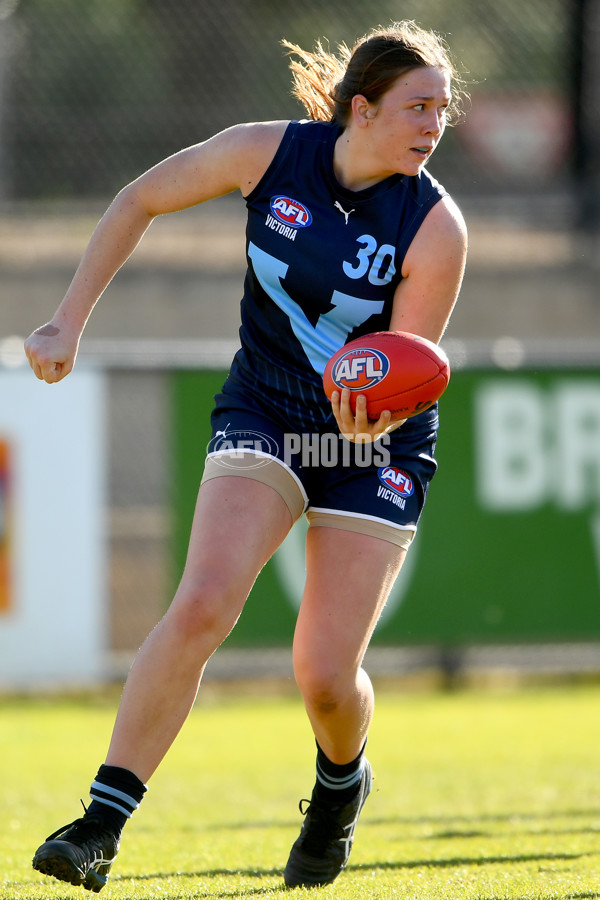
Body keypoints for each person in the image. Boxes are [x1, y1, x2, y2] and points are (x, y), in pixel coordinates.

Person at [26, 20, 467, 891]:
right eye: (417, 107)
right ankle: (99, 825)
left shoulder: (436, 227)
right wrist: (65, 319)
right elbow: (137, 200)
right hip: (266, 412)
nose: (433, 126)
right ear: (362, 107)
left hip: (370, 445)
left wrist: (370, 413)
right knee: (201, 606)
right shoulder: (265, 154)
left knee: (325, 676)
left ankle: (342, 785)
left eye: (443, 112)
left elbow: (399, 376)